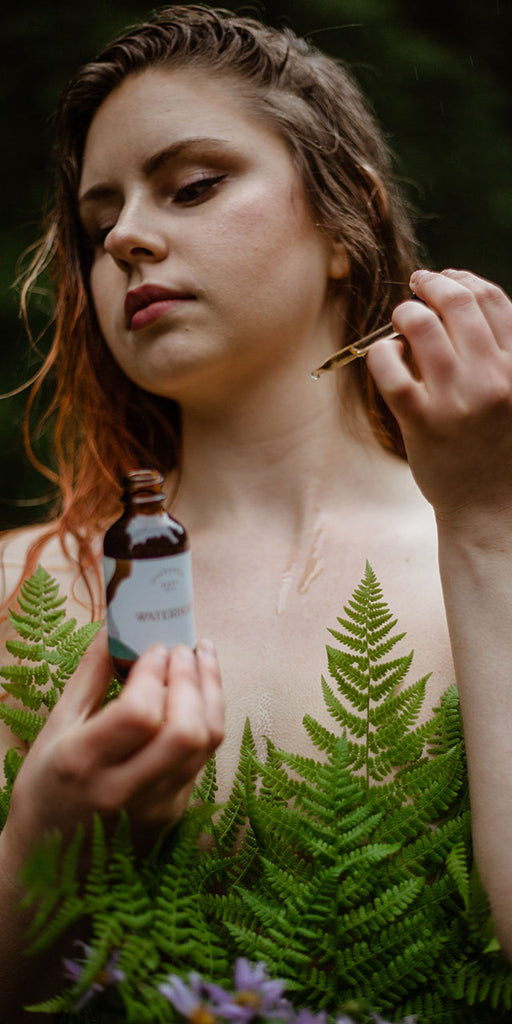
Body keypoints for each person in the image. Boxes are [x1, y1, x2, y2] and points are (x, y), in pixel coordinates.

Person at [1, 5, 512, 1019]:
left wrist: (486, 524)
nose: (130, 239)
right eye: (99, 226)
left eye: (191, 186)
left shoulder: (487, 548)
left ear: (343, 220)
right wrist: (35, 854)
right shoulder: (16, 589)